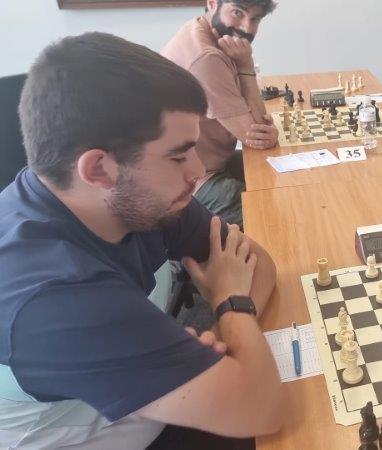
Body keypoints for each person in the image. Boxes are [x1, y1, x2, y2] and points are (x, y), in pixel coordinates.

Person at [0, 32, 283, 448]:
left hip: (139, 398)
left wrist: (218, 342)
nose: (197, 170)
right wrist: (231, 302)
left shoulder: (138, 196)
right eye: (178, 154)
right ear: (98, 169)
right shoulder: (56, 299)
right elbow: (261, 409)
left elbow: (257, 264)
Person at [162, 0, 279, 227]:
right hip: (189, 182)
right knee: (271, 219)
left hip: (206, 164)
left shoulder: (200, 29)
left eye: (255, 19)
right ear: (212, 3)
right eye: (237, 13)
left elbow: (259, 131)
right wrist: (245, 65)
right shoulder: (206, 57)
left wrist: (263, 131)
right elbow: (256, 135)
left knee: (279, 171)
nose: (246, 28)